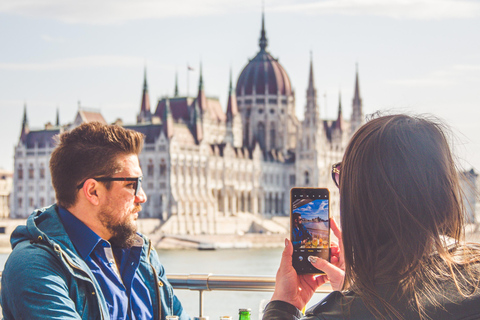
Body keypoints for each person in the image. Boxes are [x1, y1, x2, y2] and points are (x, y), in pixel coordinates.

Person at [263, 114, 480, 319]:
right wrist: (355, 289)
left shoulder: (337, 314)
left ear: (360, 202)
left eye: (342, 175)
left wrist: (284, 305)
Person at [1, 122, 190, 320]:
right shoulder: (35, 267)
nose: (142, 196)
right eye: (132, 184)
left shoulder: (141, 254)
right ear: (93, 191)